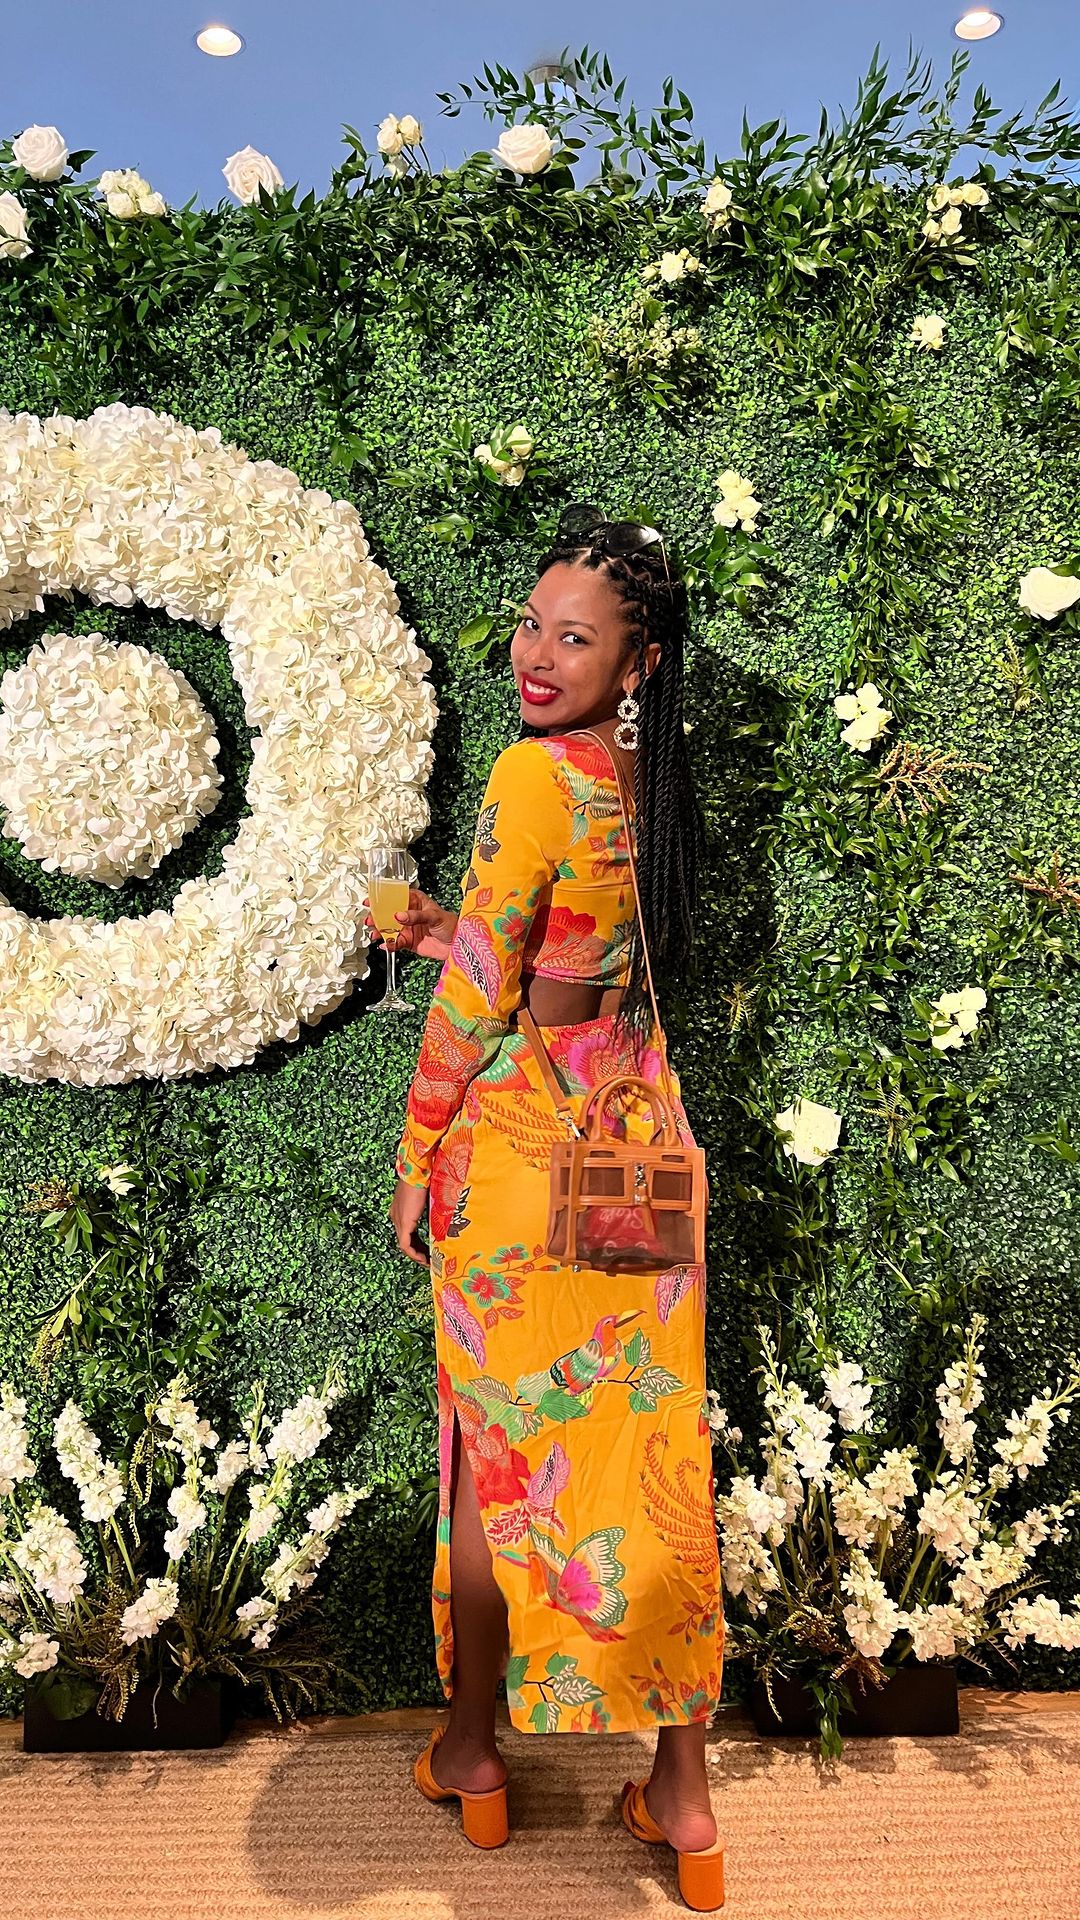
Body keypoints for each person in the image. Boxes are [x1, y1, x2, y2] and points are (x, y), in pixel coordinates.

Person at [377, 504, 725, 1910]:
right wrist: (441, 928)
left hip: (525, 1146)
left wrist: (420, 1145)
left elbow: (486, 999)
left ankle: (473, 1751)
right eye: (530, 624)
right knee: (654, 1452)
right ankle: (683, 1795)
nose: (535, 653)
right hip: (636, 1124)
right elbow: (572, 957)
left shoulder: (532, 774)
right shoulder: (648, 778)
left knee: (494, 1451)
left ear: (636, 663)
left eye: (573, 638)